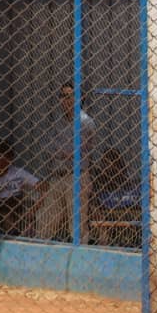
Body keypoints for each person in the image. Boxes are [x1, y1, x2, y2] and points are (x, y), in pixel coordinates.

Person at [40, 81, 97, 242]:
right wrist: (62, 150)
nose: (65, 100)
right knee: (46, 221)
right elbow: (47, 146)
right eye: (62, 96)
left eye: (70, 96)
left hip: (77, 177)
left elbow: (74, 151)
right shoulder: (58, 122)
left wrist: (61, 149)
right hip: (58, 176)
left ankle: (81, 256)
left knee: (77, 225)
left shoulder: (86, 122)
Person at [0, 140, 40, 236]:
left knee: (25, 203)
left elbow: (41, 186)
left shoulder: (18, 173)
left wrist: (34, 208)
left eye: (5, 158)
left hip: (14, 203)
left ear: (11, 159)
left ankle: (20, 232)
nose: (0, 161)